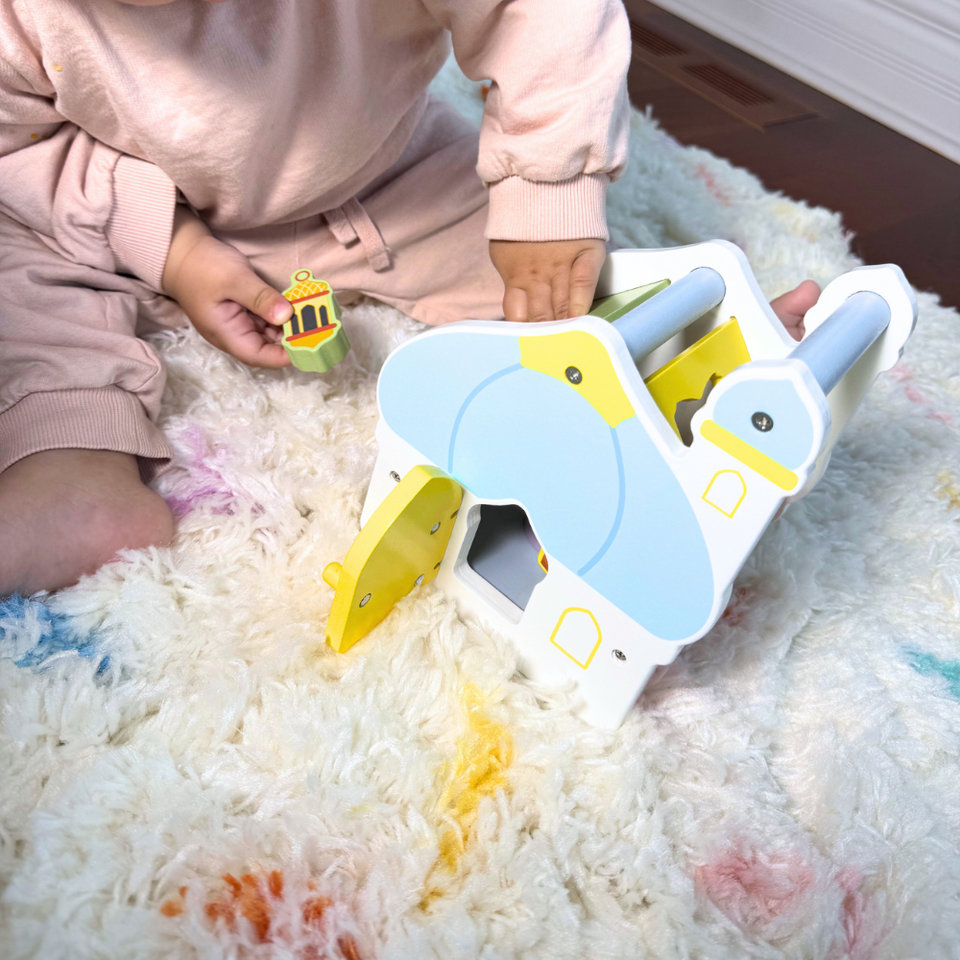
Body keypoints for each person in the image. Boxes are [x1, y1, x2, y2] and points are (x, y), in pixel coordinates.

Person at [0, 0, 819, 596]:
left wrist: (546, 188)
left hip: (383, 182)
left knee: (554, 288)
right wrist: (175, 250)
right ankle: (68, 464)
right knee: (19, 257)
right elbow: (25, 151)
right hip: (128, 210)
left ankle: (678, 373)